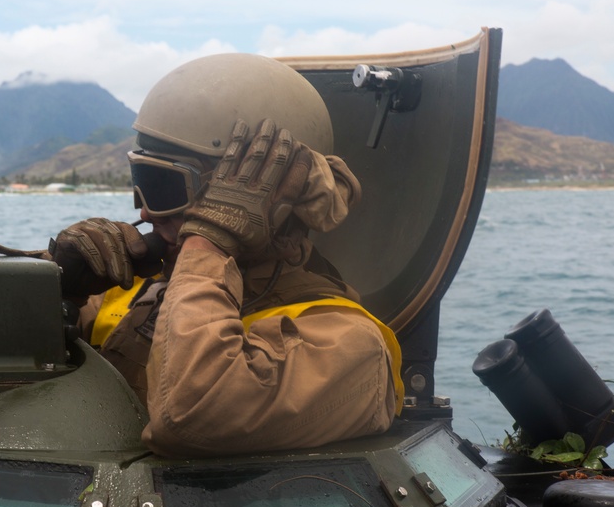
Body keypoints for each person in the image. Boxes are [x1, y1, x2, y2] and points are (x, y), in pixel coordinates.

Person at [35, 53, 402, 458]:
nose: (144, 212)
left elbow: (191, 415)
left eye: (164, 187)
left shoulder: (349, 348)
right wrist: (55, 288)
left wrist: (207, 242)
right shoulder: (126, 292)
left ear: (270, 202)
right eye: (140, 182)